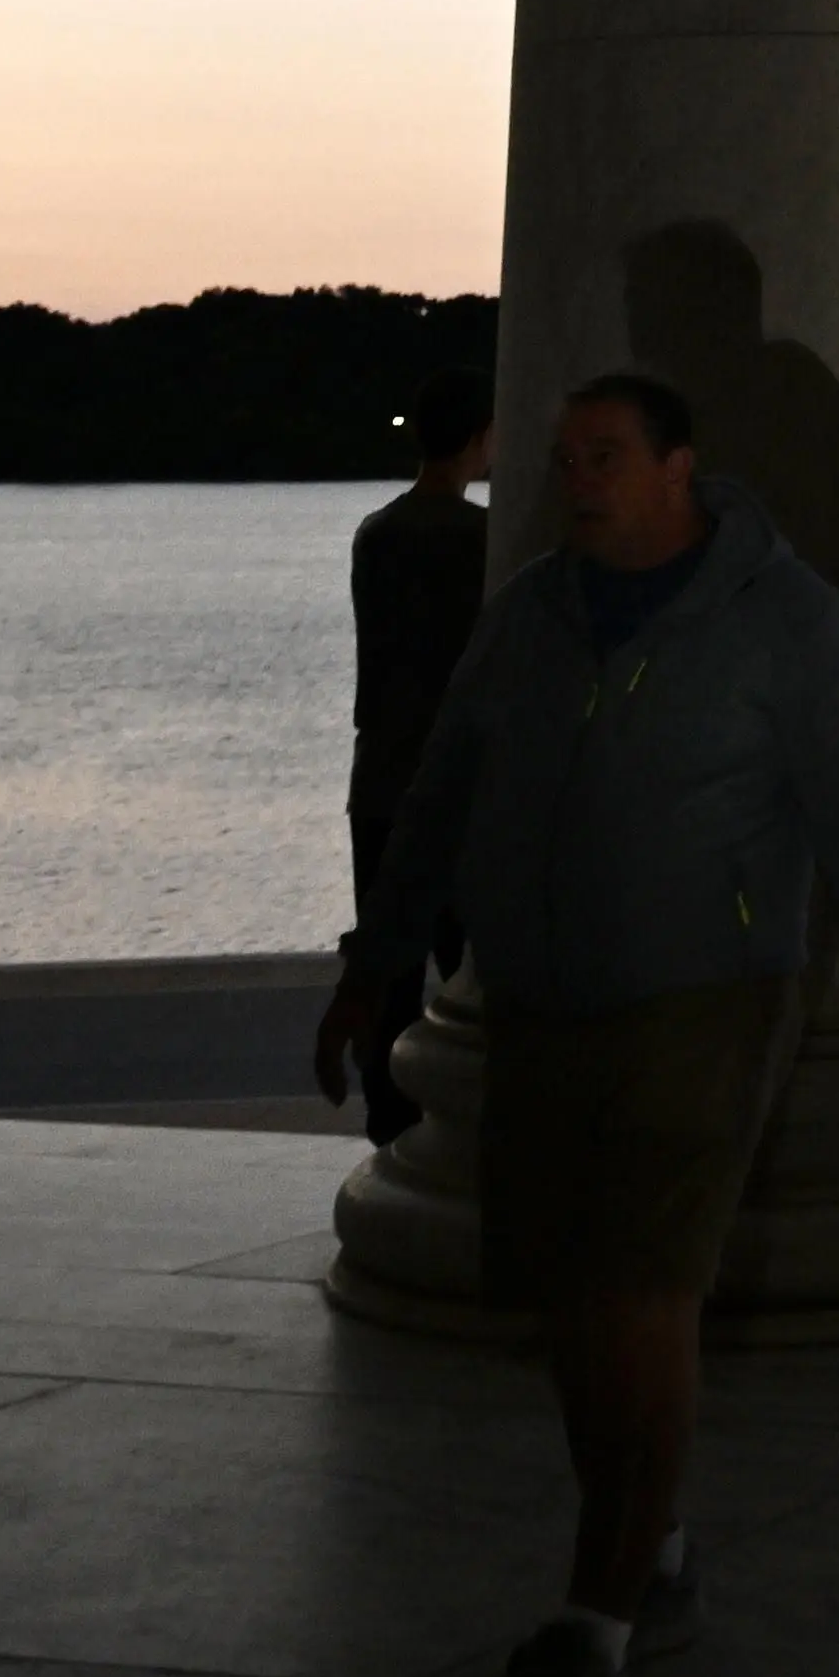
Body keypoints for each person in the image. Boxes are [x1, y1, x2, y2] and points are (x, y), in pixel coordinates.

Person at [309, 370, 839, 1677]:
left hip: (705, 1003)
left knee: (641, 1291)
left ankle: (589, 1643)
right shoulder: (530, 611)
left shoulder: (785, 619)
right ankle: (649, 1543)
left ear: (682, 466)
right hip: (541, 999)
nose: (576, 478)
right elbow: (442, 787)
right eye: (564, 458)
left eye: (605, 455)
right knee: (562, 1291)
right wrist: (381, 961)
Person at [336, 371, 498, 1146]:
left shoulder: (377, 532)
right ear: (479, 440)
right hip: (456, 788)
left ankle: (388, 1125)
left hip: (380, 777)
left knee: (390, 968)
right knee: (477, 966)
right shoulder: (482, 542)